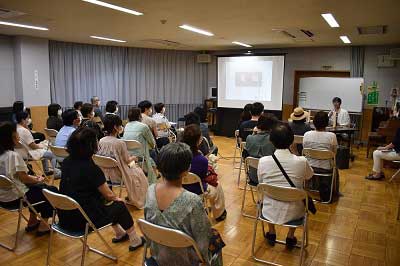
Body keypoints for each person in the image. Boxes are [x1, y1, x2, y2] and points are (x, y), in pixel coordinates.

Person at [58, 127, 145, 251]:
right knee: (119, 205)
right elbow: (109, 195)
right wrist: (119, 199)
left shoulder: (66, 162)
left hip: (65, 218)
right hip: (84, 221)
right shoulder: (91, 169)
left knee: (105, 202)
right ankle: (135, 240)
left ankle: (120, 233)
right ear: (91, 145)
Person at [145, 142, 224, 266]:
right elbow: (203, 239)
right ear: (187, 169)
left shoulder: (150, 190)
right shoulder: (192, 200)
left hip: (158, 255)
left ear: (159, 168)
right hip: (185, 259)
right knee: (215, 237)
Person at [258, 123, 313, 248]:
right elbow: (309, 176)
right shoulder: (302, 161)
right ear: (292, 140)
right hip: (294, 212)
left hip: (269, 210)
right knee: (296, 194)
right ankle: (290, 235)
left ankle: (271, 232)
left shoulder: (263, 161)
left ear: (271, 141)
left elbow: (262, 184)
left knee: (269, 193)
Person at [0, 122, 59, 236]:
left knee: (38, 190)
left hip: (3, 197)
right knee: (50, 191)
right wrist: (37, 179)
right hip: (16, 197)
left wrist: (34, 179)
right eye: (16, 133)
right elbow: (24, 178)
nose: (18, 135)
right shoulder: (12, 156)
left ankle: (32, 221)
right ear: (11, 137)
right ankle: (43, 226)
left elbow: (17, 177)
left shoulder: (4, 155)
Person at [98, 114, 148, 208]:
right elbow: (127, 160)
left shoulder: (101, 140)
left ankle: (129, 197)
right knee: (140, 173)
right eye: (120, 125)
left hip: (104, 173)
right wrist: (134, 157)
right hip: (119, 174)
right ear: (115, 127)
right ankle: (135, 199)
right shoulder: (120, 143)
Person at [182, 124, 226, 222]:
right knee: (217, 186)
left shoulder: (177, 155)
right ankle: (219, 214)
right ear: (199, 141)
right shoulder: (201, 159)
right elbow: (203, 177)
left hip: (178, 188)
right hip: (198, 190)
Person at [303, 111, 339, 201]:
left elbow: (305, 149)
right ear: (327, 123)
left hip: (309, 166)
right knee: (335, 167)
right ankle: (331, 192)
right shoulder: (332, 136)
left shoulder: (307, 134)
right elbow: (334, 153)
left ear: (314, 122)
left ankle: (310, 189)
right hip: (326, 167)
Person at [15, 112, 59, 177]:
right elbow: (33, 146)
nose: (29, 119)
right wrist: (41, 146)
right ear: (22, 120)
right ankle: (56, 173)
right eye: (28, 118)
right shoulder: (24, 131)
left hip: (21, 153)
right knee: (53, 154)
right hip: (30, 153)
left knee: (45, 150)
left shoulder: (15, 129)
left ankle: (46, 171)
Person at [122, 108, 157, 184]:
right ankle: (152, 183)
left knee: (152, 161)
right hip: (141, 157)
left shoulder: (127, 125)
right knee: (152, 157)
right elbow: (152, 143)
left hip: (129, 156)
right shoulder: (143, 126)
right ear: (139, 116)